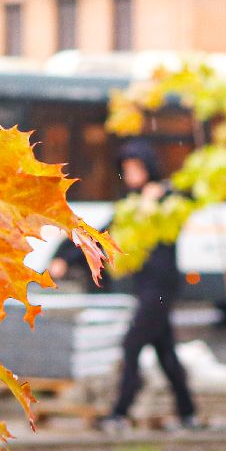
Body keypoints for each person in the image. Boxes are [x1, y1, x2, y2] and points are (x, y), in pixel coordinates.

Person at [50, 141, 199, 432]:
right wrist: (64, 256)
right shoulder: (129, 205)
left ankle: (119, 412)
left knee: (132, 346)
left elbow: (188, 203)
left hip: (162, 285)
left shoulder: (165, 197)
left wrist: (156, 199)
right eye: (126, 169)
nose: (131, 174)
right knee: (165, 352)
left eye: (136, 168)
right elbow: (104, 236)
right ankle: (188, 412)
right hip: (145, 285)